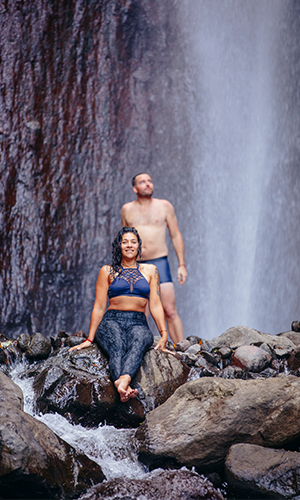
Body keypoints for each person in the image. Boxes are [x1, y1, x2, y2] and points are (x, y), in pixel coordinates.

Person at [69, 226, 167, 402]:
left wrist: (163, 334)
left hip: (139, 322)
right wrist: (89, 339)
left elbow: (156, 305)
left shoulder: (151, 270)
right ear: (119, 246)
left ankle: (122, 383)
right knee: (117, 345)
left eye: (133, 242)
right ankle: (124, 384)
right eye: (125, 242)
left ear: (139, 246)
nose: (129, 245)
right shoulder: (107, 271)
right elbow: (99, 306)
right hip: (112, 319)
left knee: (138, 341)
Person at [121, 172, 187, 344]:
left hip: (159, 263)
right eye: (143, 182)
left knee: (169, 310)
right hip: (136, 265)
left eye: (150, 181)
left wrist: (181, 264)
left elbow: (175, 235)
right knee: (141, 311)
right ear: (135, 188)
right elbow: (123, 239)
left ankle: (184, 350)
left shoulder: (164, 206)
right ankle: (143, 347)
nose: (148, 184)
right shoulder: (127, 209)